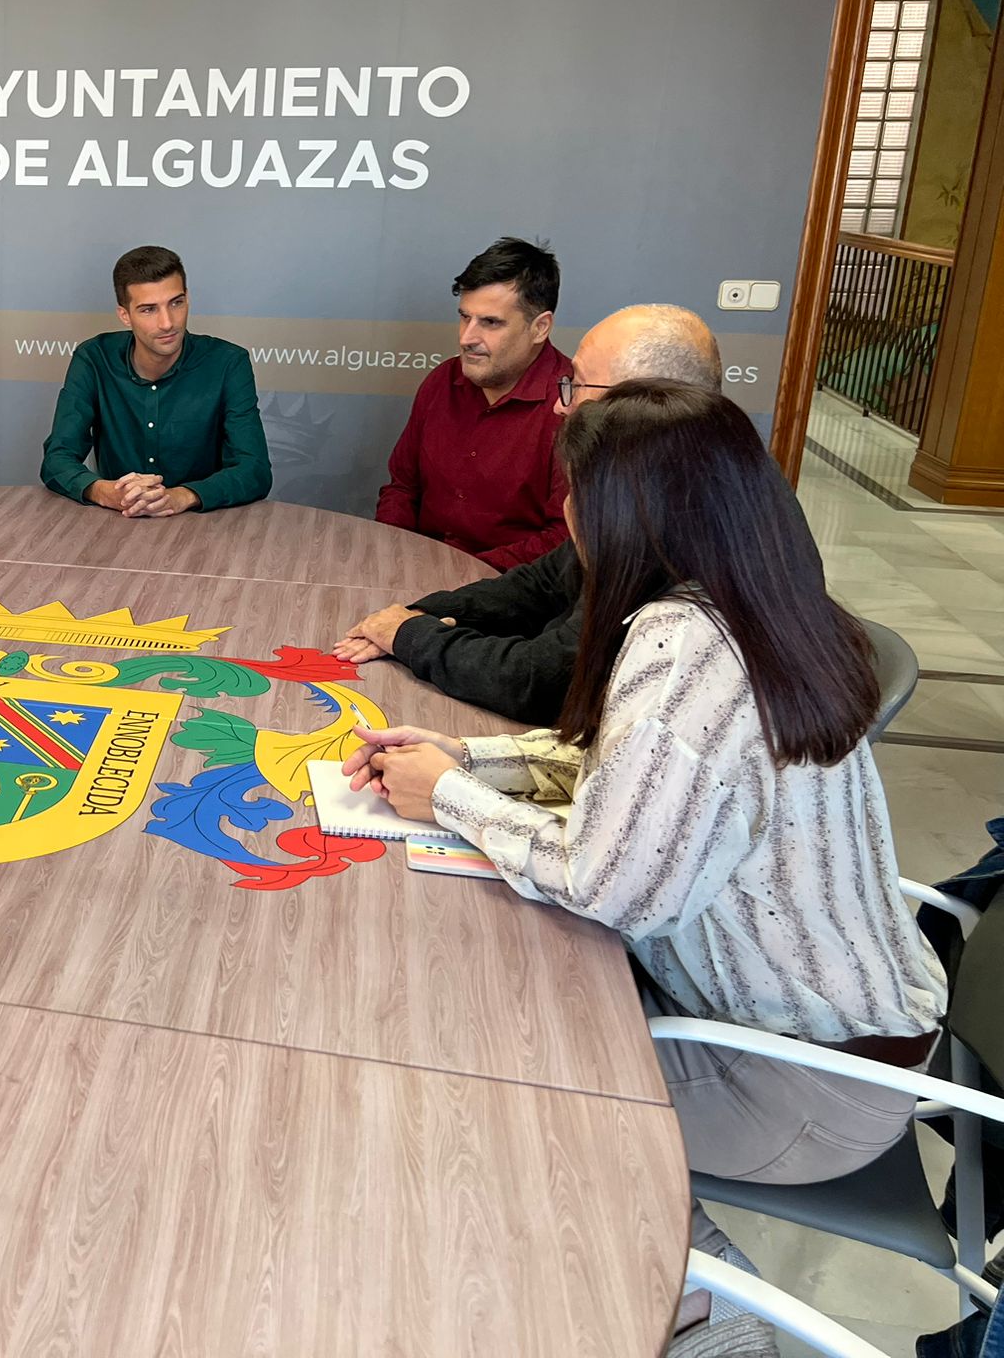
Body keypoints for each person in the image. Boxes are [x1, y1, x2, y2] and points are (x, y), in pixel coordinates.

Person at [345, 382, 946, 1352]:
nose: (566, 518)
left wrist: (446, 800)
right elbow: (620, 777)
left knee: (495, 1085)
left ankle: (700, 1304)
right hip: (859, 1027)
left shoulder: (680, 653)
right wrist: (468, 760)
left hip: (800, 1081)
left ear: (621, 514)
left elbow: (610, 881)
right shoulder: (753, 598)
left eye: (574, 494)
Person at [337, 304, 723, 724]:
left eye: (578, 383)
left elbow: (543, 681)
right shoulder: (673, 473)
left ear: (644, 399)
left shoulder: (676, 517)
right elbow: (542, 583)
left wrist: (410, 635)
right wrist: (417, 615)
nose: (561, 405)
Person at [374, 237, 571, 568]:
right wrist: (392, 557)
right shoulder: (441, 382)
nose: (467, 338)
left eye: (490, 322)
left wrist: (463, 577)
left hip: (510, 595)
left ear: (540, 328)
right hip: (415, 576)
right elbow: (402, 489)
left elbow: (564, 538)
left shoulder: (572, 405)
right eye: (465, 317)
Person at [40, 244, 271, 516]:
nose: (167, 323)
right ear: (125, 315)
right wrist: (107, 492)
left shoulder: (228, 363)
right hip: (118, 522)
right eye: (148, 309)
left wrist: (181, 496)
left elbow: (254, 470)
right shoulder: (94, 359)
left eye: (176, 303)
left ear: (188, 299)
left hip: (204, 526)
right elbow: (57, 458)